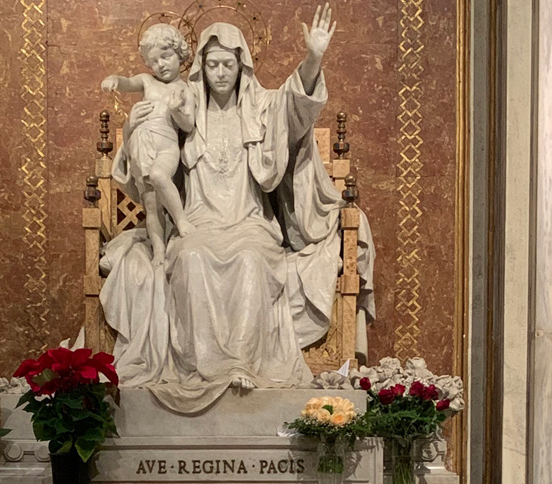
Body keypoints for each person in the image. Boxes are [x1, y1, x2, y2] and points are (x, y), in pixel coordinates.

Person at [101, 3, 375, 413]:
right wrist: (129, 124)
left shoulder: (262, 108)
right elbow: (143, 154)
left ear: (241, 64)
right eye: (212, 65)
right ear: (202, 67)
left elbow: (295, 107)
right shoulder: (183, 102)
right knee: (191, 259)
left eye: (228, 64)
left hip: (250, 224)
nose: (220, 73)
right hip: (198, 223)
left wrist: (314, 58)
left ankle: (239, 363)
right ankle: (201, 368)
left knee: (248, 261)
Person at [101, 23, 196, 266]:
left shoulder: (185, 89)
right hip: (142, 148)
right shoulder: (146, 81)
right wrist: (114, 79)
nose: (161, 65)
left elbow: (188, 125)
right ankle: (159, 251)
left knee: (159, 175)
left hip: (166, 145)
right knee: (152, 207)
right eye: (154, 61)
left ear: (180, 54)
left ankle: (182, 220)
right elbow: (127, 82)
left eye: (166, 57)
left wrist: (176, 111)